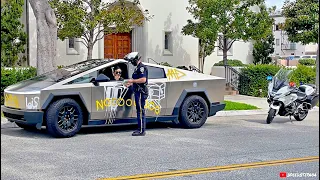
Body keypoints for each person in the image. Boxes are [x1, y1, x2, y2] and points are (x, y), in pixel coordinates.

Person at [125, 52, 148, 136]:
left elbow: (143, 79)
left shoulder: (142, 68)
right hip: (137, 90)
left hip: (141, 91)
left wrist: (132, 81)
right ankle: (139, 128)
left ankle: (142, 130)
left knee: (141, 110)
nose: (131, 63)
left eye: (132, 61)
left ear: (135, 60)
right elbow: (137, 80)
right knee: (139, 110)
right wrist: (130, 83)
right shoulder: (137, 68)